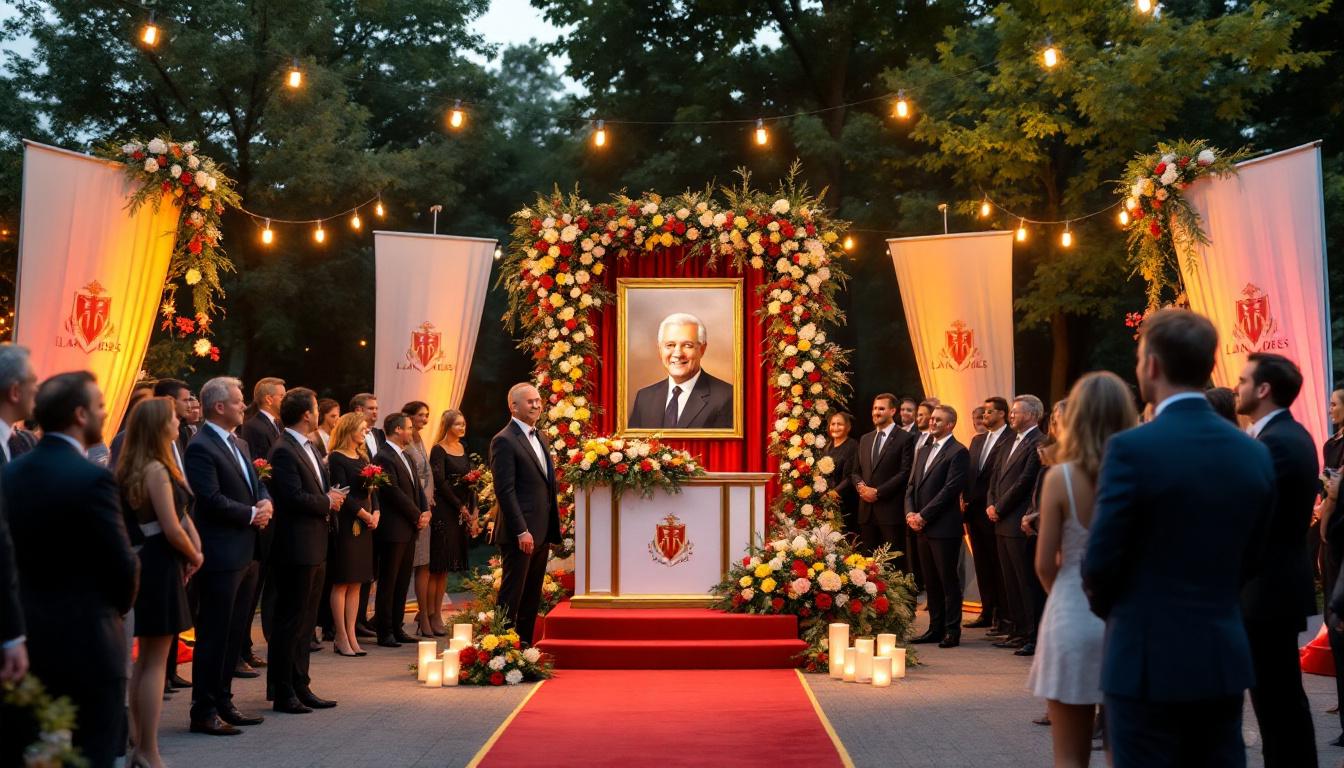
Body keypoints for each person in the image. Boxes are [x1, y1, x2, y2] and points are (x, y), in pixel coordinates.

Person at [1083, 308, 1275, 767]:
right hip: (1222, 655)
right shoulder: (1252, 453)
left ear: (1150, 365)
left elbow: (1100, 565)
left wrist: (1129, 615)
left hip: (1145, 660)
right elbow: (1254, 556)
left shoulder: (1132, 449)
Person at [4, 372, 138, 767]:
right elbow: (121, 562)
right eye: (99, 405)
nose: (106, 411)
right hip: (90, 640)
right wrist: (118, 606)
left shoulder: (8, 473)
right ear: (80, 414)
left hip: (27, 637)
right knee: (93, 750)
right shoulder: (93, 478)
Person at [1029, 372, 1137, 768]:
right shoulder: (1139, 472)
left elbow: (1043, 563)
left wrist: (1065, 595)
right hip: (1126, 618)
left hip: (1072, 613)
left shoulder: (1061, 477)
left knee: (1069, 757)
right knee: (1123, 751)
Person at [1233, 353, 1318, 767]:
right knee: (1276, 699)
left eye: (1244, 380)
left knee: (1278, 701)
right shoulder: (1277, 437)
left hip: (1269, 591)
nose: (1236, 387)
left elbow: (1253, 519)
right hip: (1268, 589)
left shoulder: (1279, 442)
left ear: (1264, 389)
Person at [118, 397, 204, 765]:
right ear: (158, 425)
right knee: (155, 660)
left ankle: (139, 740)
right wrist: (194, 554)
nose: (178, 420)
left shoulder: (137, 466)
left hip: (149, 561)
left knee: (146, 661)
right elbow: (171, 526)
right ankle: (148, 750)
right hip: (158, 563)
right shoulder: (156, 469)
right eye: (172, 417)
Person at [185, 376, 272, 736]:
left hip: (246, 550)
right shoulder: (201, 446)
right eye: (238, 401)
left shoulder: (238, 440)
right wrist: (251, 513)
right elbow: (209, 498)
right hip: (221, 553)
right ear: (219, 406)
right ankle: (203, 710)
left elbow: (257, 480)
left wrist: (265, 500)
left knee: (235, 632)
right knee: (214, 634)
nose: (243, 406)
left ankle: (224, 700)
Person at [266, 387, 343, 714]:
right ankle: (283, 690)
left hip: (316, 543)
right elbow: (291, 497)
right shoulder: (283, 449)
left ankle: (301, 683)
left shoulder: (308, 445)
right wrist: (327, 501)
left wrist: (330, 495)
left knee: (307, 620)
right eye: (315, 409)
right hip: (296, 546)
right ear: (307, 414)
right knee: (291, 620)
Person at [490, 383, 561, 644]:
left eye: (538, 400)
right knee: (512, 593)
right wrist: (521, 530)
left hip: (541, 530)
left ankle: (523, 648)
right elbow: (505, 491)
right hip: (520, 533)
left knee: (532, 595)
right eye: (529, 401)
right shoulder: (504, 440)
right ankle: (500, 647)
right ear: (513, 406)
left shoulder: (541, 436)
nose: (536, 405)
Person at [905, 404, 969, 648]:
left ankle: (952, 630)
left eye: (938, 420)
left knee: (947, 580)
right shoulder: (923, 450)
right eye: (932, 419)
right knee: (930, 580)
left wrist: (924, 515)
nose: (932, 423)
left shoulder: (958, 452)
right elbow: (911, 486)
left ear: (950, 425)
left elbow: (950, 490)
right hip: (921, 526)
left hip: (943, 527)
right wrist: (911, 512)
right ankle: (935, 627)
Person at [987, 395, 1044, 651]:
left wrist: (999, 507)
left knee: (1024, 581)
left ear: (1032, 415)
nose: (1011, 415)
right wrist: (991, 503)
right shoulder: (1010, 440)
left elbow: (1025, 481)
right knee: (1009, 579)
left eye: (1016, 412)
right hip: (1000, 519)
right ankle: (1017, 631)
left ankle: (1032, 635)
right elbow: (995, 477)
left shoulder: (1038, 442)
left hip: (1017, 519)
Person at [237, 376, 284, 675]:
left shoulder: (276, 426)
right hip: (262, 513)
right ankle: (241, 648)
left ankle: (248, 647)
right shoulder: (255, 427)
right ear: (268, 398)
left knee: (262, 586)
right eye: (282, 394)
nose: (285, 398)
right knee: (250, 591)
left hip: (272, 511)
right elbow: (260, 469)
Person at [151, 378, 194, 692]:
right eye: (184, 399)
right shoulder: (151, 457)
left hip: (181, 535)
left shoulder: (178, 439)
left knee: (174, 612)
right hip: (158, 546)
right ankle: (160, 674)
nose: (190, 404)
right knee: (160, 615)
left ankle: (168, 671)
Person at [373, 412, 430, 647]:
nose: (412, 431)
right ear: (397, 430)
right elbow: (392, 491)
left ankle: (397, 627)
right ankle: (384, 630)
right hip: (394, 527)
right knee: (389, 580)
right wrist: (417, 514)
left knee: (403, 579)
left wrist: (424, 510)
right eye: (408, 427)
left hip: (409, 527)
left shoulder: (405, 455)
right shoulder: (383, 456)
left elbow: (416, 487)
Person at [325, 413, 379, 657]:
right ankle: (340, 635)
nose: (365, 433)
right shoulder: (337, 458)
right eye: (362, 429)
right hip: (348, 523)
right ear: (349, 430)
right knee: (342, 580)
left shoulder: (362, 456)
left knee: (357, 582)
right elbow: (340, 493)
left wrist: (376, 511)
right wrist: (364, 515)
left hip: (366, 522)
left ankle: (352, 634)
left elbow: (373, 488)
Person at [628, 312, 733, 429]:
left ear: (702, 349)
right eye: (670, 345)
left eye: (687, 345)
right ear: (660, 349)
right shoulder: (644, 397)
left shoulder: (727, 396)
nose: (678, 353)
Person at [963, 396, 1011, 631]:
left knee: (999, 564)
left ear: (1002, 414)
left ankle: (1004, 615)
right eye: (983, 412)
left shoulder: (1009, 439)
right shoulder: (977, 440)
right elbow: (971, 473)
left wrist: (996, 504)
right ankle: (987, 609)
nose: (984, 415)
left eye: (989, 411)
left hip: (995, 510)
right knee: (981, 563)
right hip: (974, 511)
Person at [429, 409, 478, 631]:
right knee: (438, 565)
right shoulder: (438, 449)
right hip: (444, 511)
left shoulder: (462, 448)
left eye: (464, 423)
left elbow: (469, 481)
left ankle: (436, 612)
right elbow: (440, 482)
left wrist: (472, 508)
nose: (462, 427)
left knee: (446, 567)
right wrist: (460, 506)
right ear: (448, 426)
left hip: (461, 511)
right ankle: (429, 614)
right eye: (458, 424)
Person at [850, 394, 915, 564]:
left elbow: (905, 472)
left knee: (893, 563)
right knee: (867, 564)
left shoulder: (905, 438)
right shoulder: (865, 438)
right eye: (874, 408)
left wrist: (878, 492)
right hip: (866, 511)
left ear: (893, 411)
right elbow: (855, 471)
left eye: (881, 408)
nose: (876, 412)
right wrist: (861, 488)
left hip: (890, 511)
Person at [402, 401, 440, 638]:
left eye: (427, 415)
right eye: (421, 416)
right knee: (413, 564)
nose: (425, 420)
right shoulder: (406, 444)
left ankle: (424, 613)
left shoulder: (420, 440)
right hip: (414, 510)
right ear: (408, 417)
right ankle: (418, 615)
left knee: (424, 564)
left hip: (426, 508)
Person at [1319, 388, 1344, 743]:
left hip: (1338, 532)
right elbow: (1328, 490)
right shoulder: (1329, 444)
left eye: (1336, 404)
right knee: (1333, 617)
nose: (1330, 408)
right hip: (1331, 537)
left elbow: (1336, 493)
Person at [348, 392, 384, 638]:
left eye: (377, 408)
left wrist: (377, 509)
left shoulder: (378, 435)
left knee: (371, 570)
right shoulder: (347, 451)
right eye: (371, 408)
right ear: (358, 410)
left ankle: (363, 617)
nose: (375, 412)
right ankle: (353, 621)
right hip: (356, 513)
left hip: (375, 507)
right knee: (354, 572)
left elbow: (378, 475)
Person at [820, 412, 859, 535]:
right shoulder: (827, 446)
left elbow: (850, 476)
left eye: (840, 424)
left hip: (844, 501)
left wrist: (834, 493)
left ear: (848, 427)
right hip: (825, 500)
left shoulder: (852, 446)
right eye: (833, 424)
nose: (836, 427)